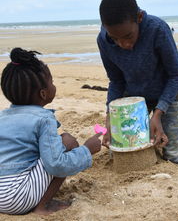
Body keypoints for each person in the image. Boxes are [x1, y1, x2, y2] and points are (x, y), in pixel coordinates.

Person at [97, 0, 178, 164]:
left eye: (128, 36)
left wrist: (157, 114)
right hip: (134, 97)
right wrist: (110, 118)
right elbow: (116, 81)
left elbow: (176, 75)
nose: (123, 44)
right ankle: (173, 127)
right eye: (114, 38)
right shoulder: (103, 40)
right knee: (121, 154)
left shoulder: (158, 29)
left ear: (139, 17)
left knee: (174, 156)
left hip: (167, 94)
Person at [0, 48, 102, 215]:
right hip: (17, 199)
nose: (53, 85)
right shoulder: (44, 119)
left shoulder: (2, 116)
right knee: (66, 143)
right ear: (43, 93)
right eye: (52, 82)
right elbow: (56, 165)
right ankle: (42, 206)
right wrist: (87, 150)